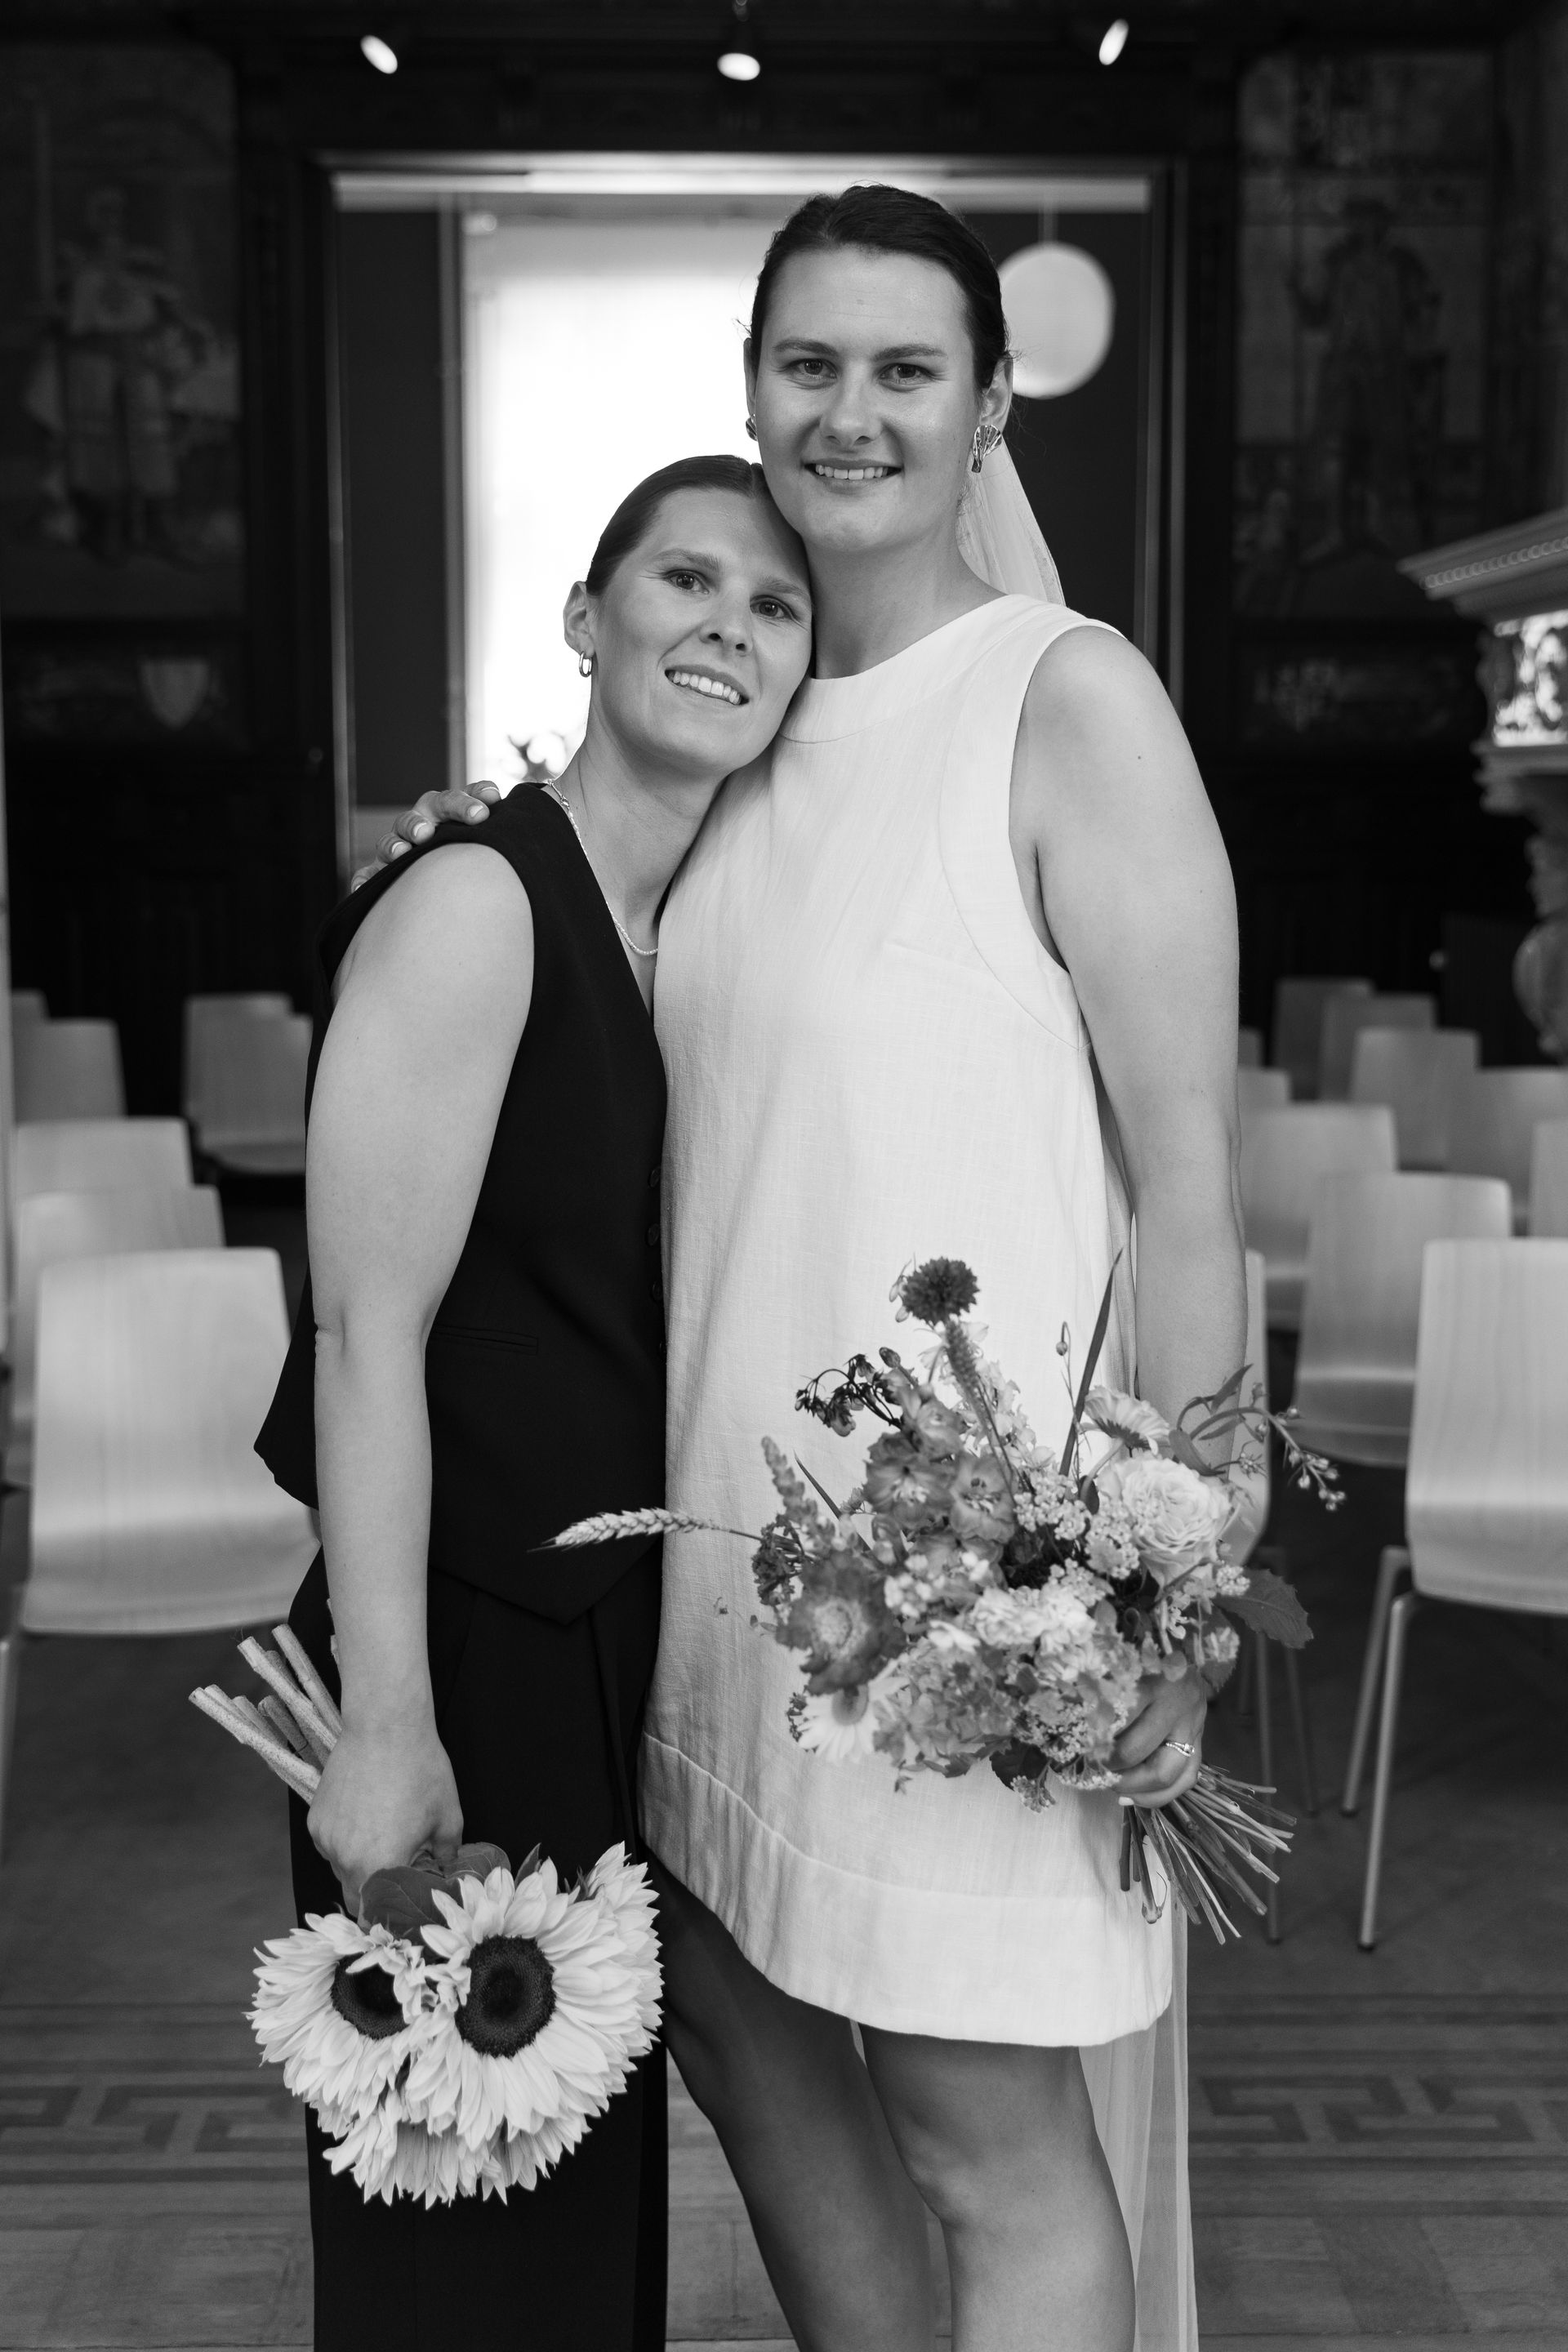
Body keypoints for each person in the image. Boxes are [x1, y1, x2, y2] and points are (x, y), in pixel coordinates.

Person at [375, 184, 1241, 2352]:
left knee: (984, 2148)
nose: (853, 413)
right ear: (755, 391)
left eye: (906, 370)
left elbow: (1195, 1186)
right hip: (716, 1586)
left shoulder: (1067, 702)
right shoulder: (738, 732)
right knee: (756, 2077)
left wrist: (1183, 1584)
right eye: (811, 366)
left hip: (969, 1604)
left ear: (990, 404)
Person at [252, 454, 813, 2352]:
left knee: (567, 2216)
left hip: (594, 1636)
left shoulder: (681, 936)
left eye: (774, 603)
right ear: (587, 617)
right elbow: (365, 1335)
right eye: (685, 579)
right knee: (464, 2235)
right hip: (460, 1641)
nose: (727, 627)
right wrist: (390, 1719)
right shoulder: (480, 906)